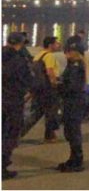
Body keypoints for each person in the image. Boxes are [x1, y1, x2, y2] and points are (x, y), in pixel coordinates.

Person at [2, 32, 32, 180]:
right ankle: (2, 165)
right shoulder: (20, 60)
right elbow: (27, 80)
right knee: (12, 133)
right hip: (13, 101)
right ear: (20, 44)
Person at [22, 36, 62, 142]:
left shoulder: (39, 55)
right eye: (56, 43)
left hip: (39, 88)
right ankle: (49, 136)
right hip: (48, 88)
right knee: (51, 112)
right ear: (50, 45)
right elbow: (49, 71)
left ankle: (18, 133)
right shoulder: (49, 56)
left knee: (37, 113)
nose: (58, 45)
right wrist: (54, 83)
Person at [57, 43, 87, 173]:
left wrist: (59, 86)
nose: (66, 54)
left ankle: (77, 161)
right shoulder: (74, 65)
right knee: (70, 131)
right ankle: (73, 158)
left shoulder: (76, 66)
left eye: (68, 52)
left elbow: (72, 86)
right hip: (73, 101)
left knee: (73, 131)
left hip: (74, 102)